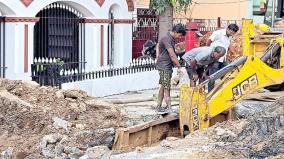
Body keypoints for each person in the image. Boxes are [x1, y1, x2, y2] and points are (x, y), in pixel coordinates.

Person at [155, 23, 186, 113]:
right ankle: (169, 107)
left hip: (166, 65)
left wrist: (158, 56)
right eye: (179, 35)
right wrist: (179, 66)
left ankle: (158, 106)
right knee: (167, 87)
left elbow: (158, 45)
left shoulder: (170, 39)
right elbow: (172, 55)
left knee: (163, 85)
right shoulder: (167, 39)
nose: (179, 37)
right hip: (164, 66)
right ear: (176, 32)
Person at [206, 23, 239, 91]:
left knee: (226, 74)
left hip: (223, 59)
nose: (231, 34)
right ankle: (210, 93)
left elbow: (227, 44)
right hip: (214, 58)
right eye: (231, 32)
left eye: (233, 33)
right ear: (227, 29)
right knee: (213, 76)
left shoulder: (229, 36)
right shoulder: (218, 33)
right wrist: (209, 53)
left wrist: (234, 53)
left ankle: (222, 91)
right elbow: (208, 42)